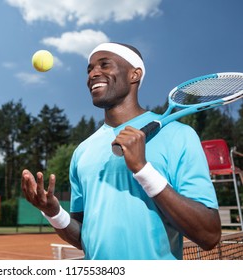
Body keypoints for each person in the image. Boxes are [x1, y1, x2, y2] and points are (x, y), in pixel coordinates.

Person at [21, 42, 221, 260]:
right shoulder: (82, 152)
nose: (93, 74)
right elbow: (84, 238)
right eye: (89, 69)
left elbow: (209, 235)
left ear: (134, 75)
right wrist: (54, 213)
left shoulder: (180, 136)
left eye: (104, 65)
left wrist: (143, 170)